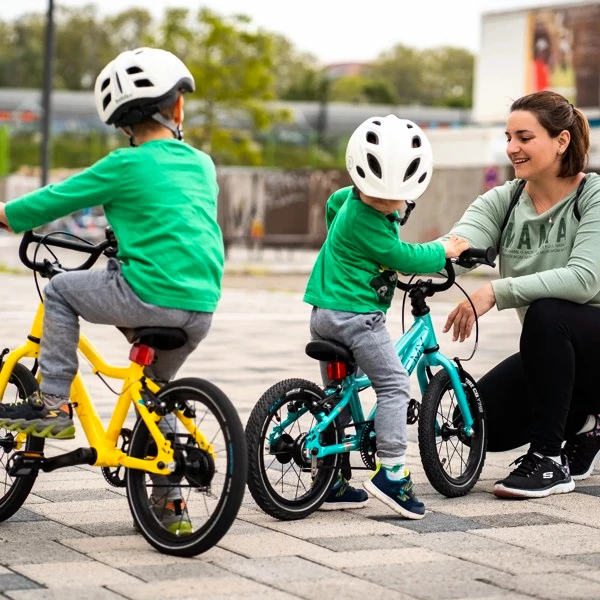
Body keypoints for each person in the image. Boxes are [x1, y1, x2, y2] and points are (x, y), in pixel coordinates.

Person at [0, 48, 224, 533]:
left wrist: (6, 213)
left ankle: (53, 403)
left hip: (147, 292)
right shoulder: (203, 165)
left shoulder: (123, 165)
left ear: (122, 122)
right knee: (154, 393)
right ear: (177, 109)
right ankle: (170, 508)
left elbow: (56, 199)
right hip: (201, 306)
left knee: (60, 290)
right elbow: (176, 220)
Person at [304, 115, 470, 518]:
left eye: (392, 199)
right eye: (381, 199)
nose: (387, 207)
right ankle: (392, 474)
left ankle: (332, 477)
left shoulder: (349, 201)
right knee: (395, 386)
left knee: (337, 397)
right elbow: (402, 257)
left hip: (324, 312)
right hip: (357, 317)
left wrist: (345, 251)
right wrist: (446, 248)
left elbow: (332, 204)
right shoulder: (371, 222)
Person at [443, 90, 600, 499]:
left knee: (548, 314)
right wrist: (381, 248)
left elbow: (585, 279)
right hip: (558, 355)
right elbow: (455, 249)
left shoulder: (594, 196)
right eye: (509, 137)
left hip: (588, 344)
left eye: (524, 137)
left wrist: (497, 291)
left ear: (561, 141)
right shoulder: (506, 200)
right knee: (476, 425)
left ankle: (549, 460)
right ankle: (586, 424)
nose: (512, 148)